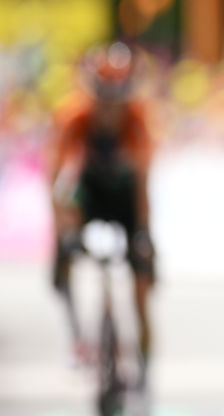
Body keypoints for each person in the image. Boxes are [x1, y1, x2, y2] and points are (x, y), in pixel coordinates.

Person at [49, 41, 157, 389]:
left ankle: (143, 374)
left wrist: (142, 233)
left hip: (124, 198)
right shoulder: (73, 119)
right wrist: (63, 231)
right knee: (62, 260)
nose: (110, 107)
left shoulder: (138, 119)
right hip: (89, 193)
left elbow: (142, 181)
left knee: (142, 285)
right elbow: (59, 181)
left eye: (118, 97)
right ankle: (78, 335)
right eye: (103, 97)